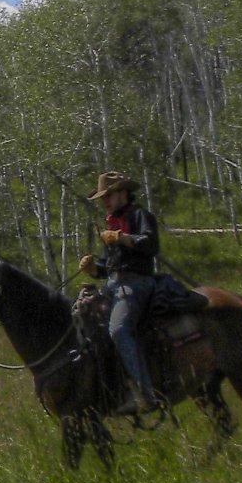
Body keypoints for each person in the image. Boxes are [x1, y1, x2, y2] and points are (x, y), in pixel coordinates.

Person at [79, 171, 163, 415]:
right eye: (103, 197)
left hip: (137, 283)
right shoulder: (111, 224)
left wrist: (122, 238)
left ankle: (146, 394)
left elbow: (151, 245)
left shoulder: (140, 215)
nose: (105, 201)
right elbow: (108, 267)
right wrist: (94, 269)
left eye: (109, 195)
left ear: (123, 193)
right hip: (114, 284)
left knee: (118, 329)